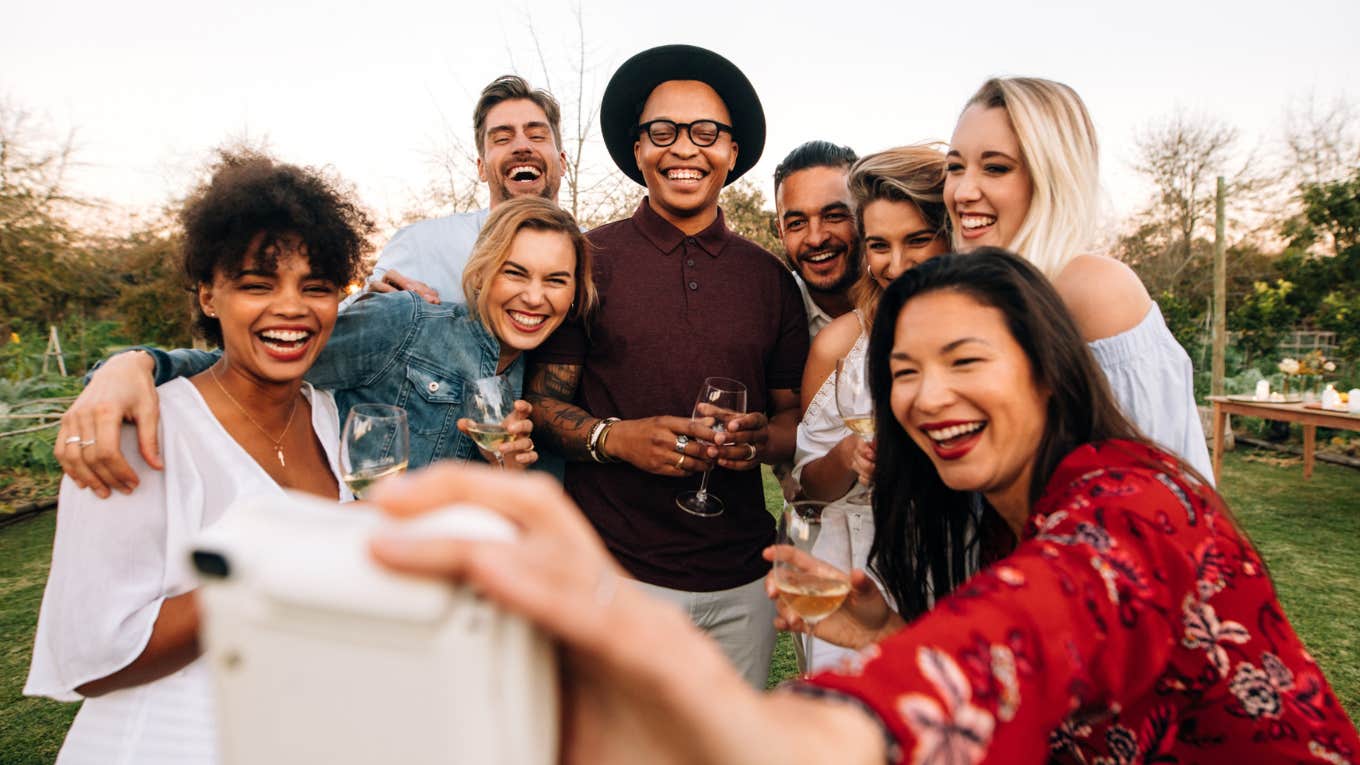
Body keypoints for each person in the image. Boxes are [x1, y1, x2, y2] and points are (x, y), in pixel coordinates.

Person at [368, 251, 1360, 764]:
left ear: (1049, 369)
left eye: (965, 361)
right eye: (902, 373)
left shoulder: (1135, 502)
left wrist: (792, 739)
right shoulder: (1002, 514)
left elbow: (1045, 625)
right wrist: (874, 621)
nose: (927, 396)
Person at [26, 152, 367, 764]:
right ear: (210, 294)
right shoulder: (140, 429)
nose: (291, 308)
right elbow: (92, 661)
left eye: (315, 287)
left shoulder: (326, 413)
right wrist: (282, 555)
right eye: (258, 285)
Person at [525, 44, 808, 688]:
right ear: (639, 150)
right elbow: (541, 406)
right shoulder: (588, 257)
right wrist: (617, 438)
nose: (685, 148)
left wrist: (761, 438)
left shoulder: (770, 279)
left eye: (706, 132)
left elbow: (794, 419)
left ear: (732, 152)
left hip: (742, 585)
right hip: (614, 575)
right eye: (663, 132)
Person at [55, 196, 596, 494]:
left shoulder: (528, 374)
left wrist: (505, 470)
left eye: (556, 280)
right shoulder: (406, 321)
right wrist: (134, 364)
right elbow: (242, 369)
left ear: (574, 293)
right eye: (515, 273)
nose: (533, 297)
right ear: (481, 274)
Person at [945, 76, 1213, 478]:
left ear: (1052, 176)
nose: (963, 191)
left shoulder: (1096, 291)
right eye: (955, 167)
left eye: (995, 168)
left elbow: (1155, 481)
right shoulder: (975, 297)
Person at [791, 144, 951, 671]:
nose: (896, 263)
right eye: (880, 245)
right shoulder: (840, 344)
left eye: (917, 240)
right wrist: (846, 457)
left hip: (953, 560)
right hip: (853, 566)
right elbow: (804, 490)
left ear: (947, 236)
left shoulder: (986, 330)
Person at [350, 75, 568, 305]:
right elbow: (336, 328)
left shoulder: (598, 253)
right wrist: (370, 309)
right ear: (481, 168)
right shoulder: (422, 245)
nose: (522, 146)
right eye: (502, 138)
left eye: (536, 136)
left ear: (562, 162)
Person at [773, 140, 861, 337]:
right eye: (797, 223)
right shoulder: (769, 316)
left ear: (864, 215)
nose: (816, 239)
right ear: (781, 232)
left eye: (833, 216)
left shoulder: (903, 297)